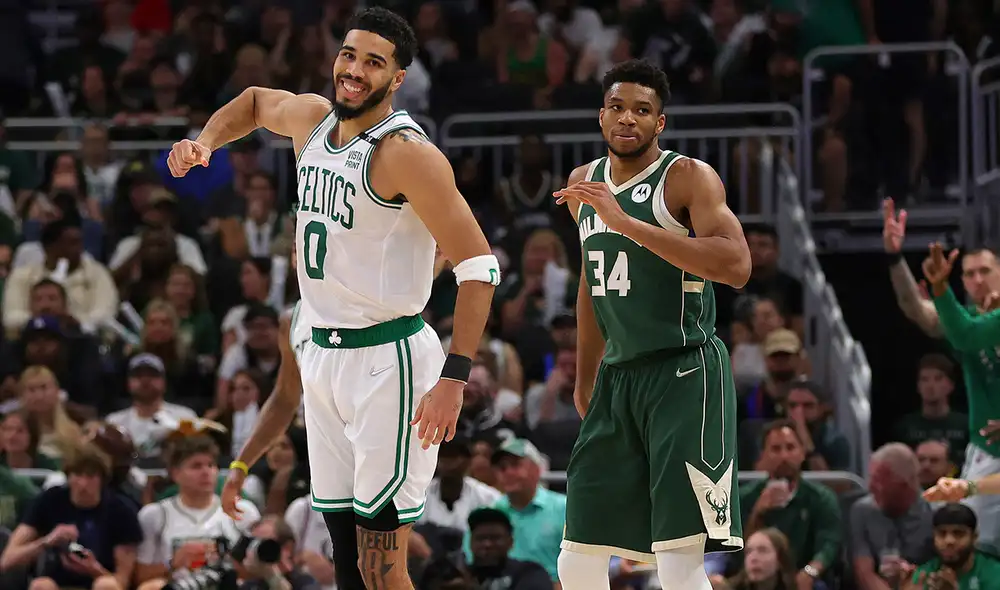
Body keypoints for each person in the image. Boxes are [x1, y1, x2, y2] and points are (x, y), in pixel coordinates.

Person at [179, 8, 500, 589]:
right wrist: (204, 142)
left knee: (382, 568)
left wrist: (454, 379)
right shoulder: (311, 120)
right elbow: (252, 102)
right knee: (348, 561)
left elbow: (480, 267)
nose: (353, 70)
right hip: (323, 351)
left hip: (389, 359)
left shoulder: (406, 154)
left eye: (373, 63)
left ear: (397, 78)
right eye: (348, 55)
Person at [552, 58, 751, 590]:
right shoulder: (583, 184)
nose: (627, 119)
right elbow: (592, 284)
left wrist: (626, 224)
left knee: (678, 562)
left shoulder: (687, 177)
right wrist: (584, 374)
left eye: (642, 110)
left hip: (684, 372)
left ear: (659, 123)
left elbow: (736, 266)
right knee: (577, 555)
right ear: (600, 116)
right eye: (617, 107)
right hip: (619, 377)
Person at [922, 241, 1000, 551]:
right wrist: (894, 258)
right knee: (975, 542)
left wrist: (940, 288)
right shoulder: (976, 319)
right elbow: (962, 333)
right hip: (988, 449)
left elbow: (964, 335)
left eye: (986, 271)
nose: (979, 279)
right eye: (970, 273)